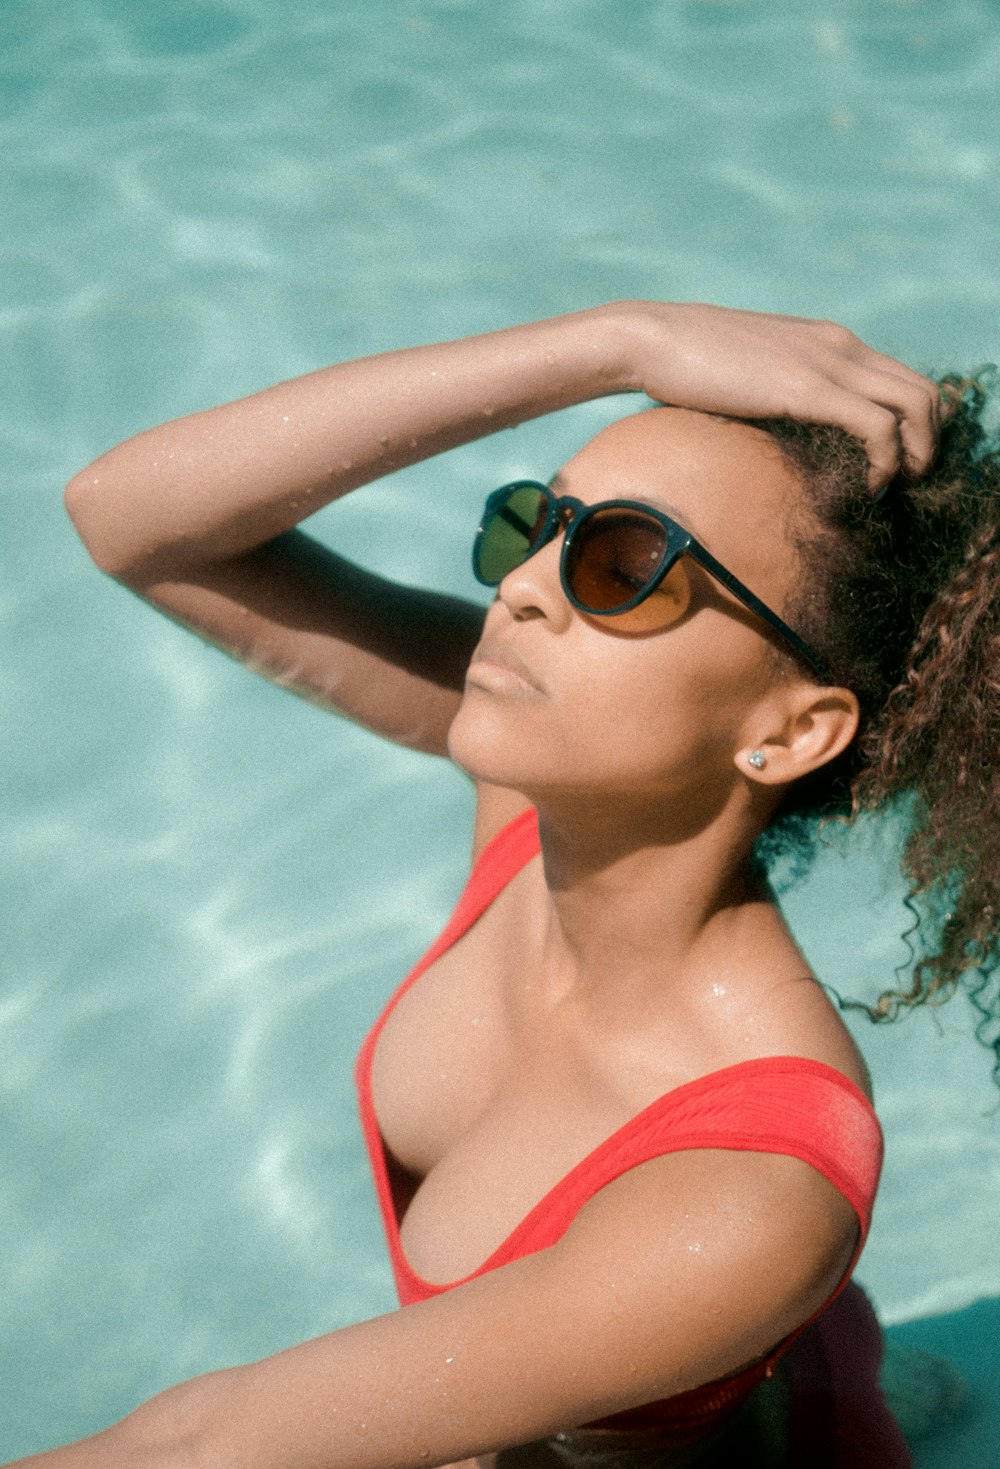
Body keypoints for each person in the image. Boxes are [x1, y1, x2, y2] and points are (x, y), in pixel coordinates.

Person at [15, 301, 998, 1468]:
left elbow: (196, 1440)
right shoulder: (541, 797)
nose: (525, 586)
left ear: (788, 731)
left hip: (699, 1310)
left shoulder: (755, 1187)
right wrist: (612, 341)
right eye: (542, 522)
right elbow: (130, 521)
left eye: (625, 563)